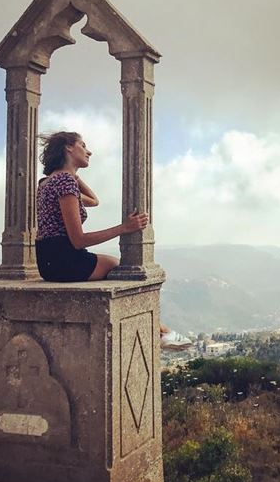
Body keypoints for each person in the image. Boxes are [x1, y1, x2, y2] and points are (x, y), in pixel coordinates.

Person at [35, 131, 191, 350]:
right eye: (83, 145)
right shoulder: (63, 181)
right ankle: (159, 331)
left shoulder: (47, 183)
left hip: (47, 262)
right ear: (68, 148)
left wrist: (75, 174)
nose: (89, 151)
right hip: (64, 260)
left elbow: (94, 201)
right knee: (124, 268)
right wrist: (124, 228)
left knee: (115, 266)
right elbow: (78, 240)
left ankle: (161, 331)